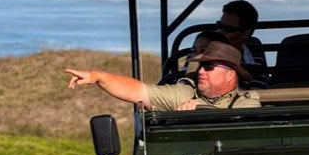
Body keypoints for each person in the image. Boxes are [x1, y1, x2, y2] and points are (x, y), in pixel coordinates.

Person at [65, 41, 261, 112]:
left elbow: (237, 125)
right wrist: (97, 76)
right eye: (201, 65)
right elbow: (138, 91)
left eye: (209, 67)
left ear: (230, 75)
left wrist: (201, 111)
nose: (200, 71)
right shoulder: (185, 93)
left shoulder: (246, 102)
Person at [214, 0, 268, 80]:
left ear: (246, 33)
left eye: (229, 29)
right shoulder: (203, 45)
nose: (221, 32)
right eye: (220, 25)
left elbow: (259, 83)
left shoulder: (254, 52)